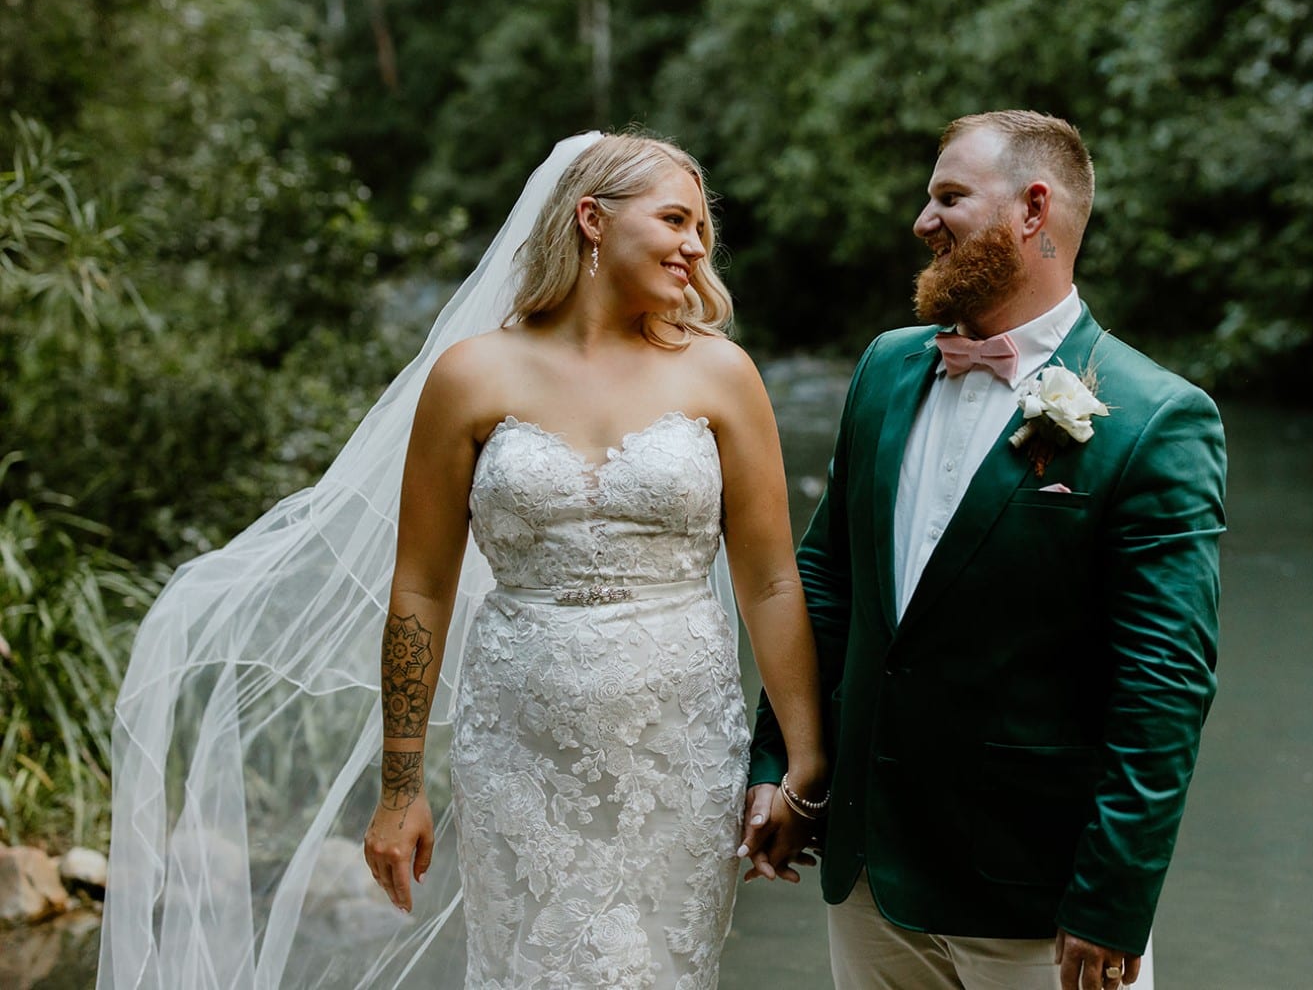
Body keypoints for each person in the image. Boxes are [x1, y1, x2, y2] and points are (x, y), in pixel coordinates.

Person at [100, 132, 823, 990]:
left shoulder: (722, 374)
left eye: (702, 226)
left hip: (677, 755)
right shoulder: (471, 375)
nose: (697, 246)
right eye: (674, 219)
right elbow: (421, 587)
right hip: (517, 750)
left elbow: (771, 581)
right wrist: (400, 784)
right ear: (592, 220)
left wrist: (801, 764)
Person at [744, 110, 1226, 990]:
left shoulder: (1156, 416)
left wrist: (1112, 897)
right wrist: (778, 761)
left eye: (948, 197)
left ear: (1032, 209)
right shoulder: (884, 369)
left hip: (1033, 897)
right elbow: (826, 582)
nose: (922, 221)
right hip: (866, 873)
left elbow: (1165, 684)